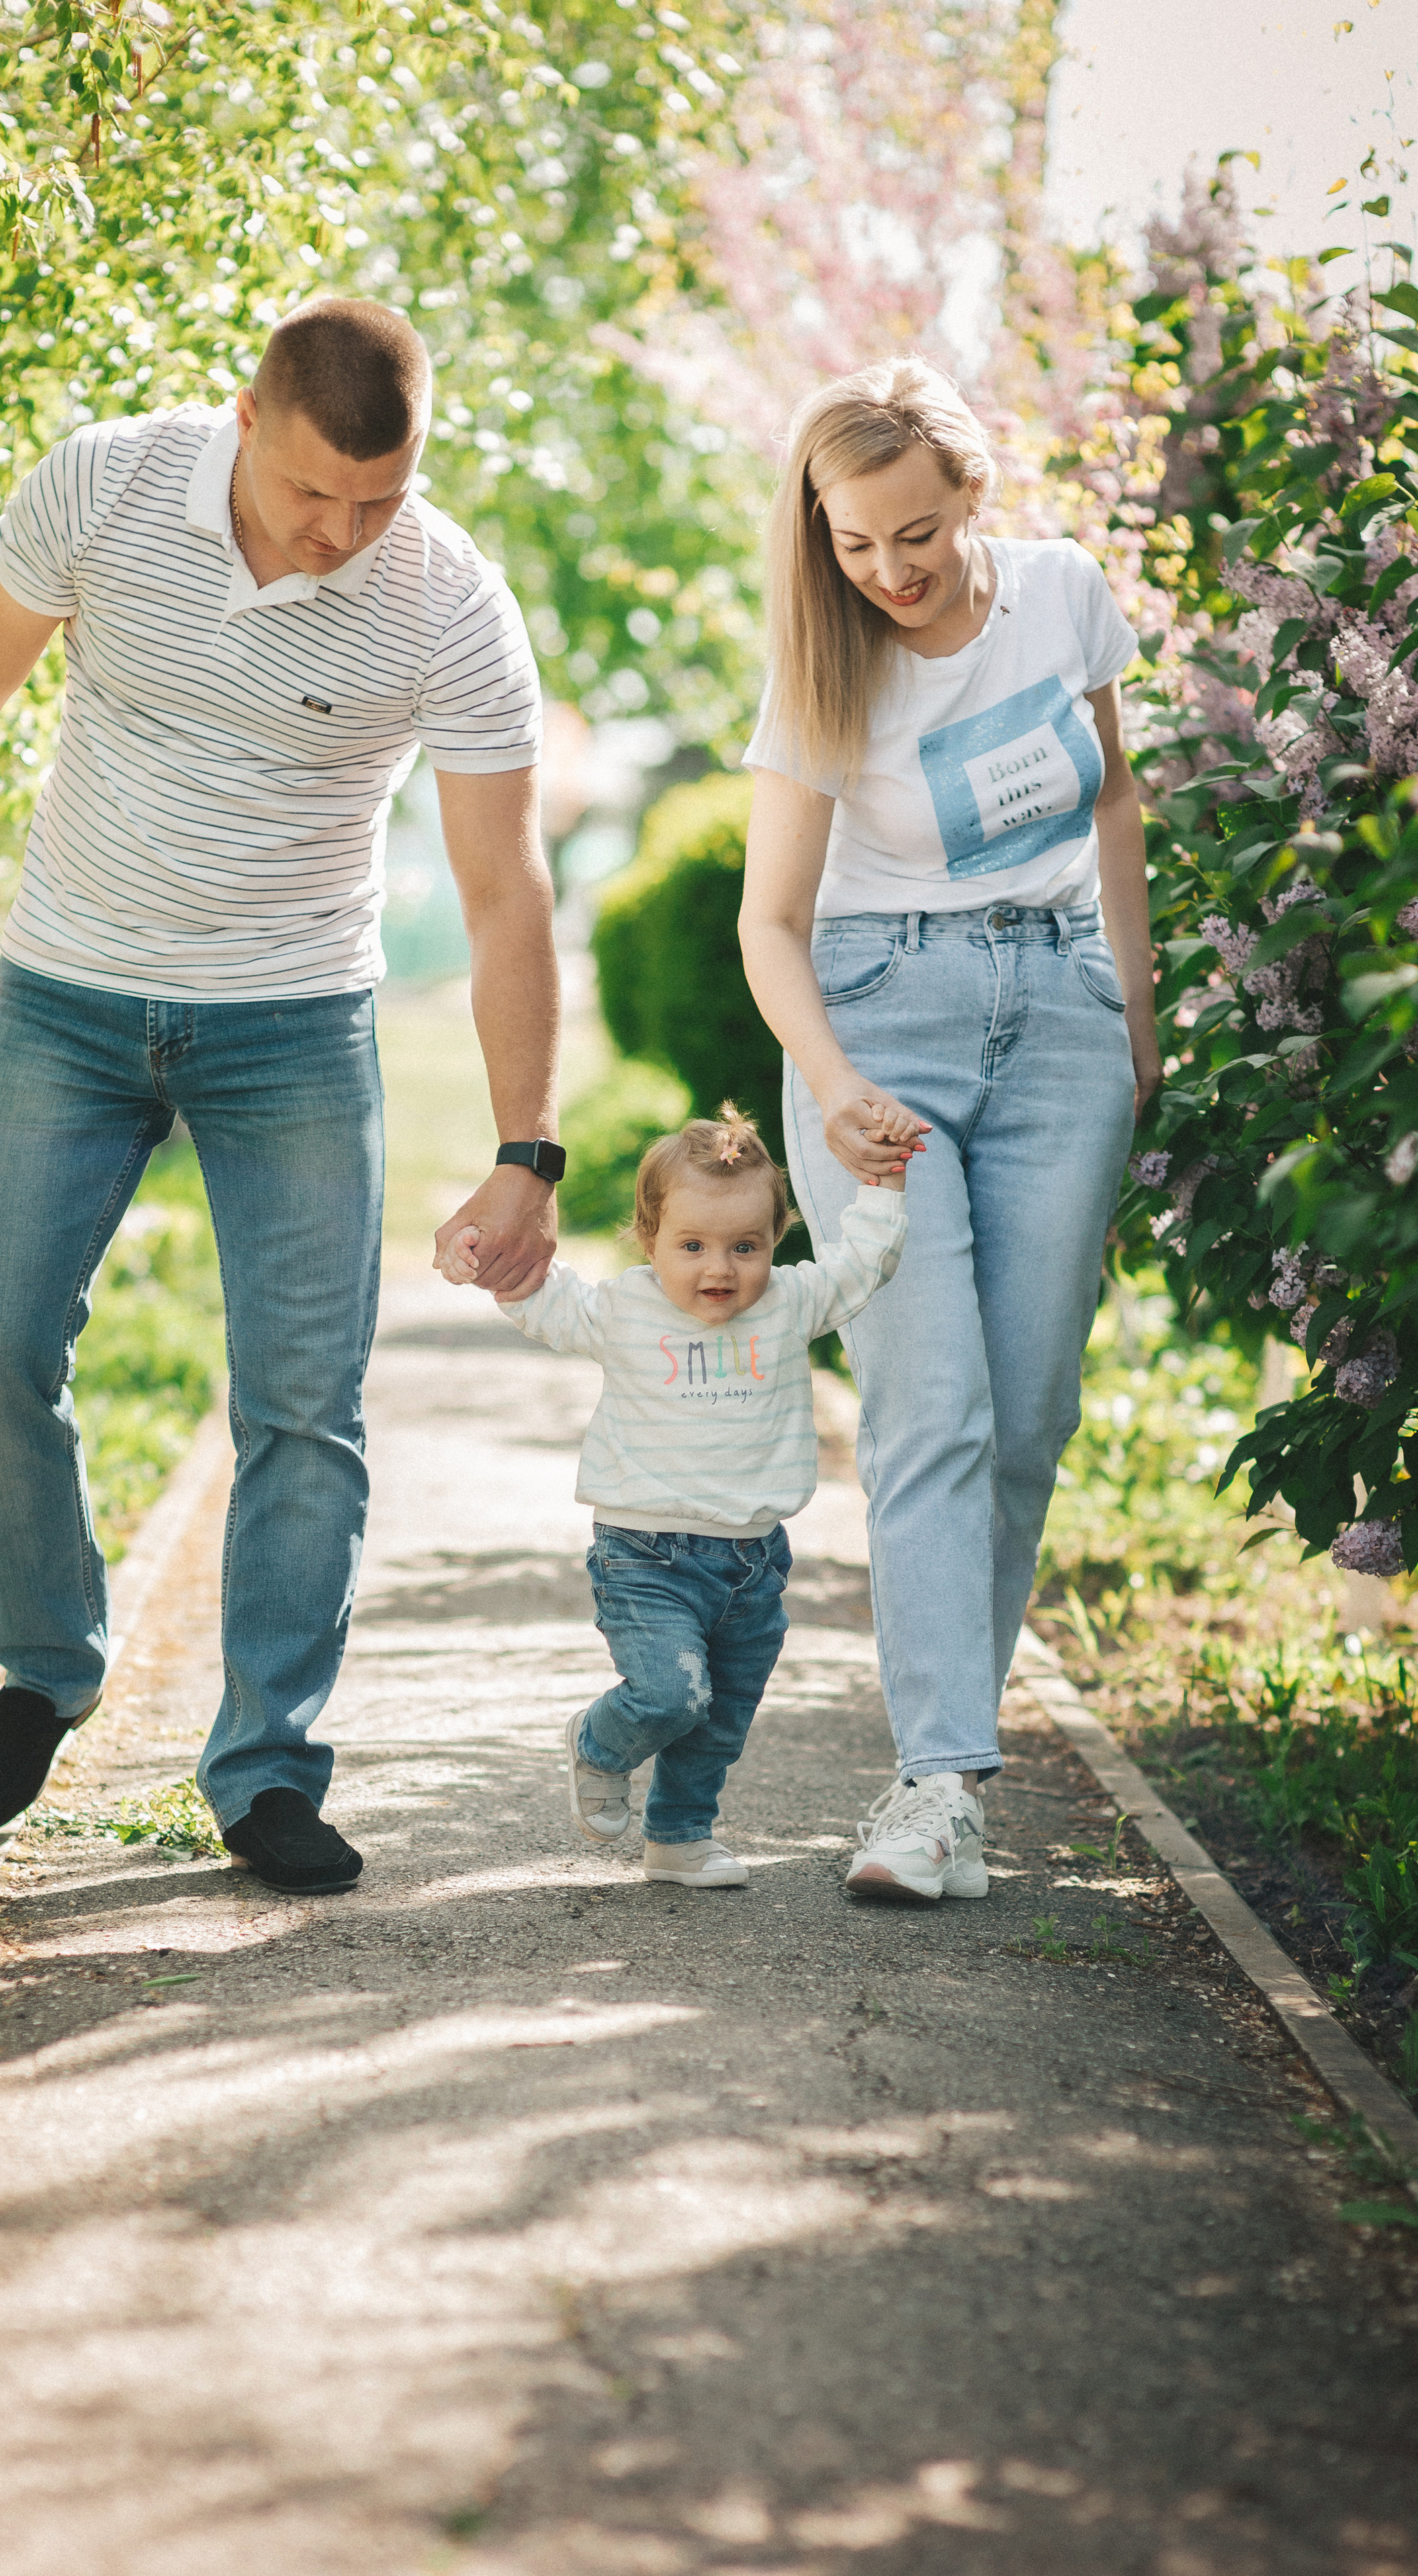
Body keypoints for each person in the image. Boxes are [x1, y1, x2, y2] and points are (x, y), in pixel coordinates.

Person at [0, 298, 562, 1896]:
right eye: (313, 493)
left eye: (376, 498)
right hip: (68, 997)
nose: (340, 531)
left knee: (305, 1403)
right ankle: (49, 1660)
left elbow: (505, 887)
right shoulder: (100, 488)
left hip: (293, 1025)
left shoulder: (441, 594)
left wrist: (526, 1148)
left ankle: (265, 1769)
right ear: (243, 414)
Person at [738, 353, 1159, 1907]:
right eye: (853, 541)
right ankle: (936, 1782)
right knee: (931, 1409)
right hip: (875, 1033)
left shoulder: (1058, 597)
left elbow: (1109, 795)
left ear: (968, 496)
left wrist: (1134, 1002)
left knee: (1029, 1413)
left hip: (1058, 1017)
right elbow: (767, 923)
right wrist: (832, 1080)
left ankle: (945, 1758)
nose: (886, 570)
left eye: (911, 534)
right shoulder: (818, 660)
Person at [440, 1106, 906, 1886]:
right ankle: (598, 1742)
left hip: (753, 1563)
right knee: (669, 1694)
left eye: (744, 1247)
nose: (718, 1269)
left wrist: (883, 1182)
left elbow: (865, 1260)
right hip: (645, 1556)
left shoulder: (788, 1305)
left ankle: (680, 1837)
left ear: (775, 1239)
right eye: (691, 1246)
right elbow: (543, 1303)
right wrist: (485, 1256)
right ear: (648, 1238)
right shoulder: (627, 1308)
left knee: (719, 1720)